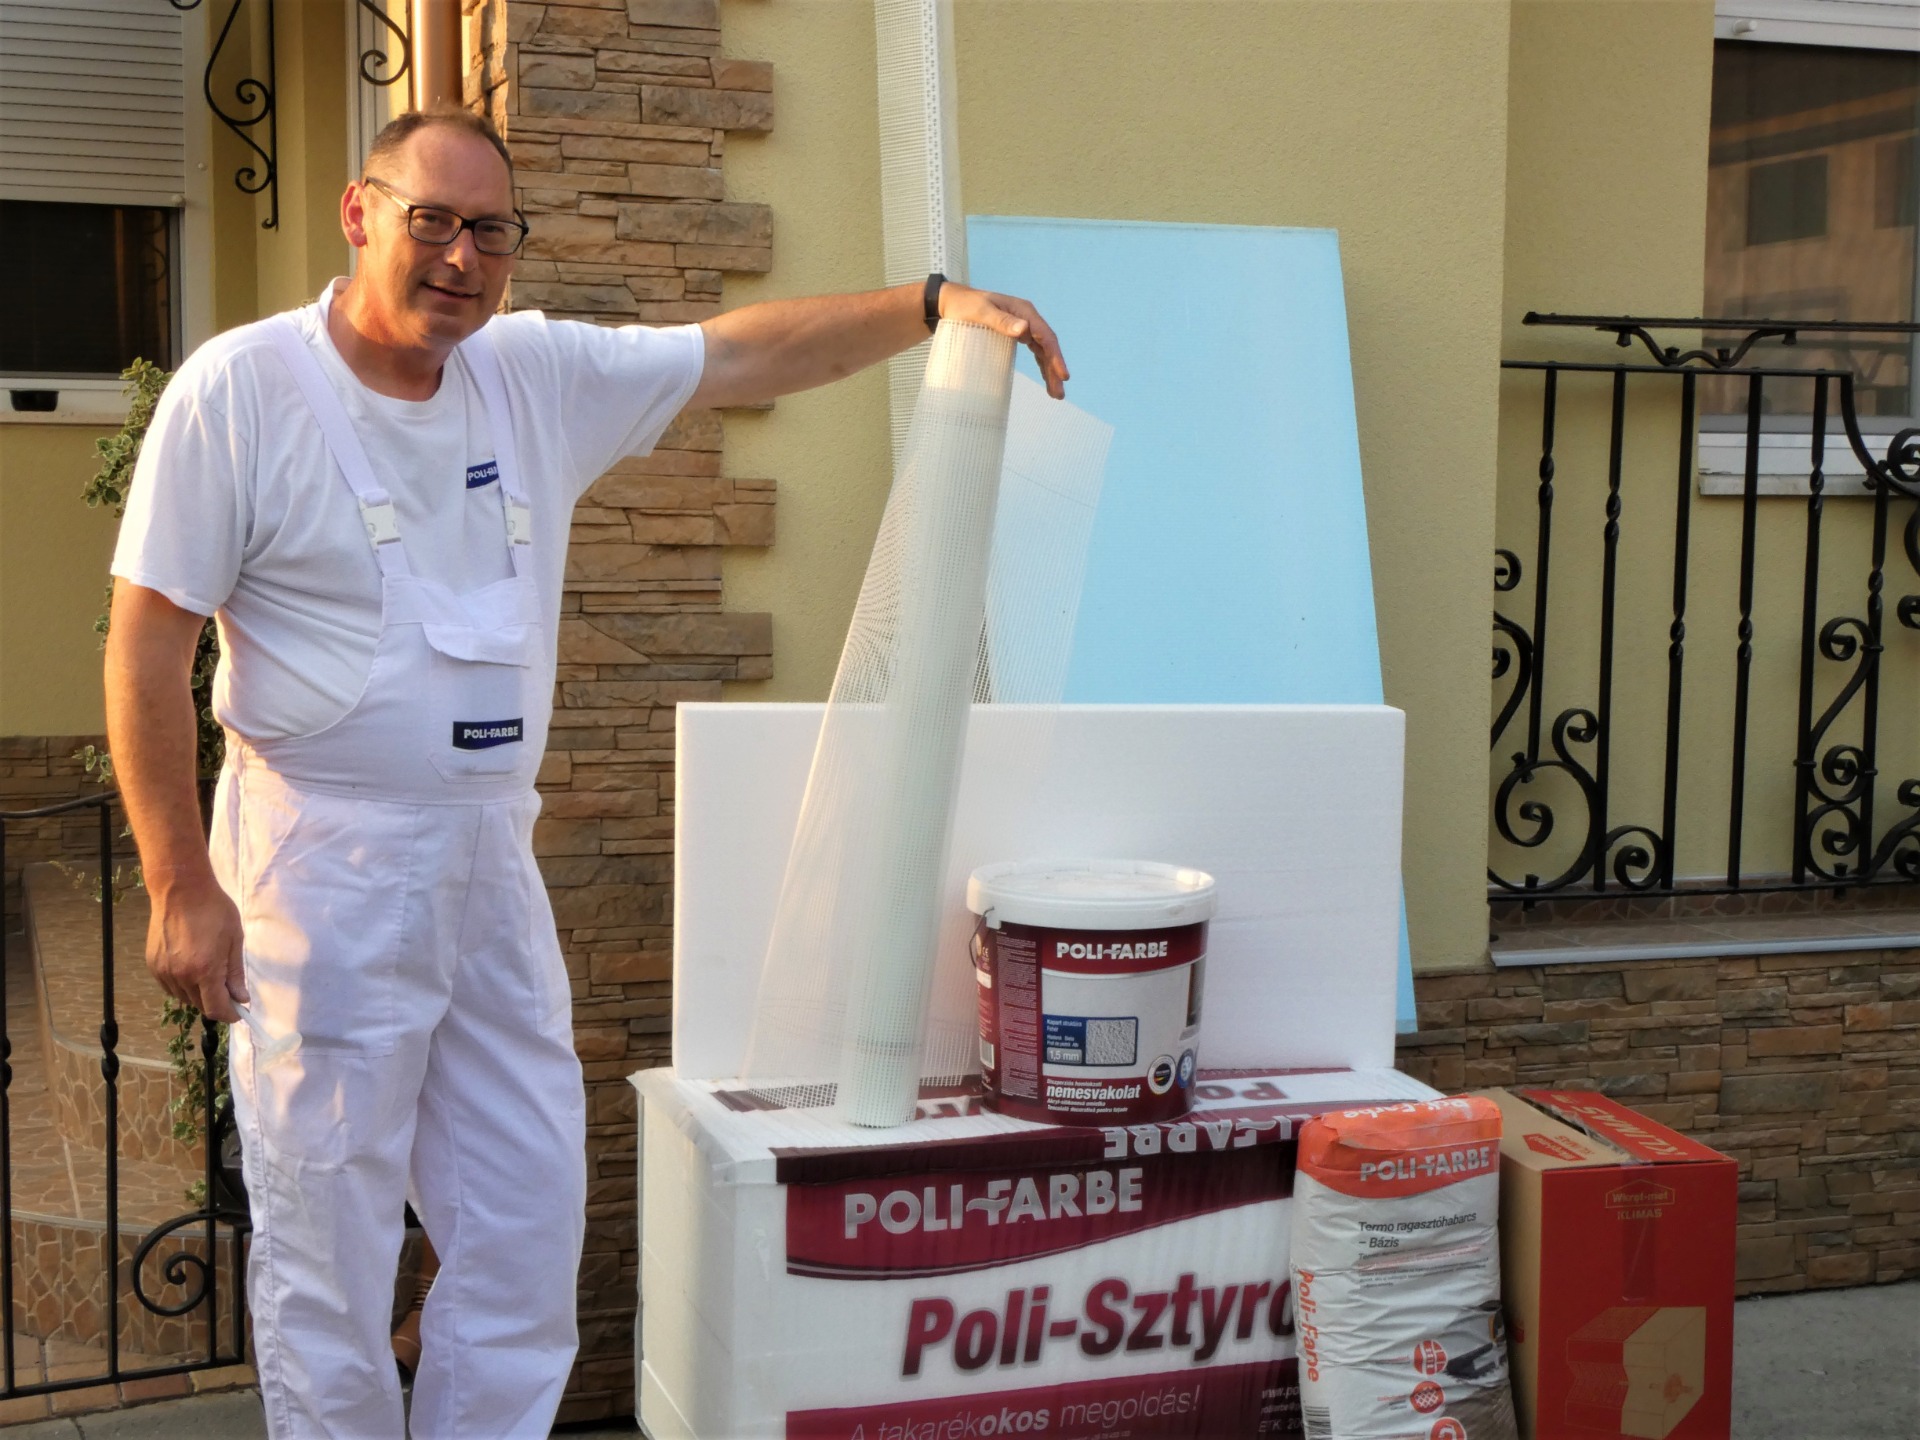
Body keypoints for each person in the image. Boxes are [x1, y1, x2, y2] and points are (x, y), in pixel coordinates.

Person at [104, 106, 1067, 1438]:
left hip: (489, 865)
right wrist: (177, 881)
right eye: (431, 220)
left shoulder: (531, 376)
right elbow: (147, 641)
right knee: (326, 1247)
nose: (461, 256)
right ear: (359, 214)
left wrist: (931, 306)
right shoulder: (243, 393)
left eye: (490, 231)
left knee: (522, 1216)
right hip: (318, 867)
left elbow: (741, 352)